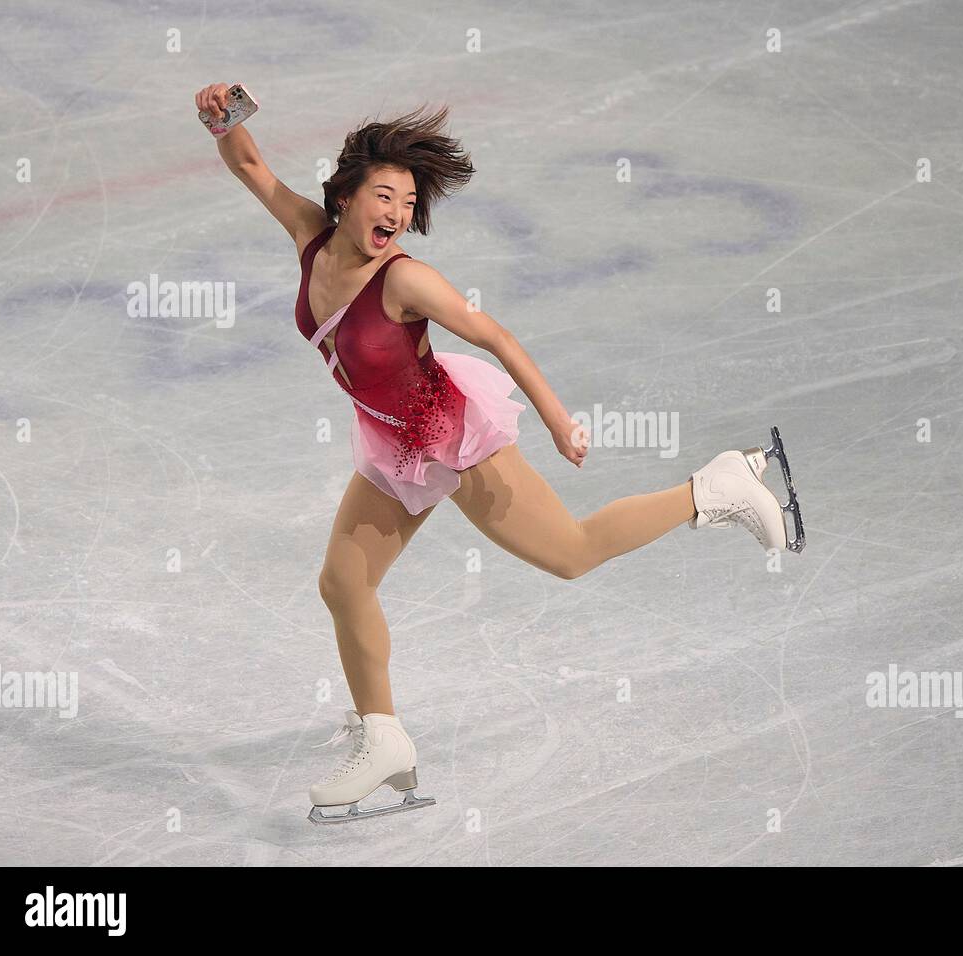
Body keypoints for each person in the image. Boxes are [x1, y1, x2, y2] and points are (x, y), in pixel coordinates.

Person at [194, 83, 804, 823]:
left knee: (572, 553)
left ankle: (715, 486)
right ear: (345, 196)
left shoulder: (407, 279)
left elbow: (494, 337)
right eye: (384, 196)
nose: (396, 213)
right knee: (344, 583)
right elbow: (252, 165)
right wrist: (223, 121)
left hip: (450, 437)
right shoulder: (311, 237)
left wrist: (556, 421)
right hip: (393, 444)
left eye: (408, 202)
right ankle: (383, 738)